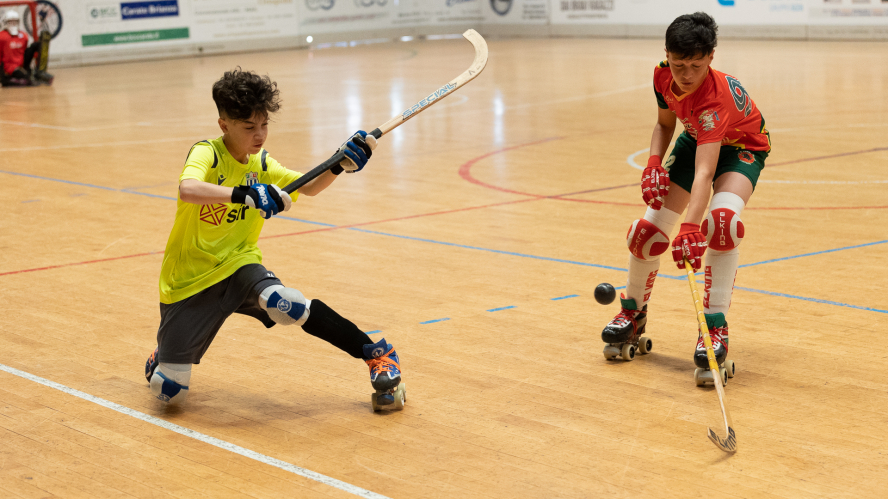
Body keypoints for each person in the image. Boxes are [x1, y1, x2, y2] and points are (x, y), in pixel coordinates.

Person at [145, 67, 405, 411]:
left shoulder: (262, 163)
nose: (259, 135)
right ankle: (163, 356)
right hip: (188, 281)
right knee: (169, 392)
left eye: (264, 124)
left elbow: (307, 186)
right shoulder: (207, 153)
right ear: (224, 124)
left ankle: (377, 354)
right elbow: (188, 189)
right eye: (249, 127)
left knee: (287, 304)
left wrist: (339, 164)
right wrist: (244, 195)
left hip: (239, 266)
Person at [601, 12, 770, 380]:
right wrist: (652, 163)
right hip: (695, 139)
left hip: (741, 148)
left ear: (711, 57)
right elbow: (664, 124)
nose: (686, 74)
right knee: (645, 234)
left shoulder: (713, 101)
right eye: (679, 64)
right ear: (667, 55)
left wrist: (691, 226)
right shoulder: (662, 74)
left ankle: (713, 327)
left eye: (696, 65)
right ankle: (633, 312)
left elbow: (705, 173)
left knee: (722, 224)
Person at [0, 10, 52, 86]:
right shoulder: (2, 37)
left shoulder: (23, 36)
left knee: (37, 44)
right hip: (9, 67)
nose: (13, 24)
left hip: (21, 63)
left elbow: (24, 52)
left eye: (15, 21)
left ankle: (39, 71)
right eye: (11, 22)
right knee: (28, 79)